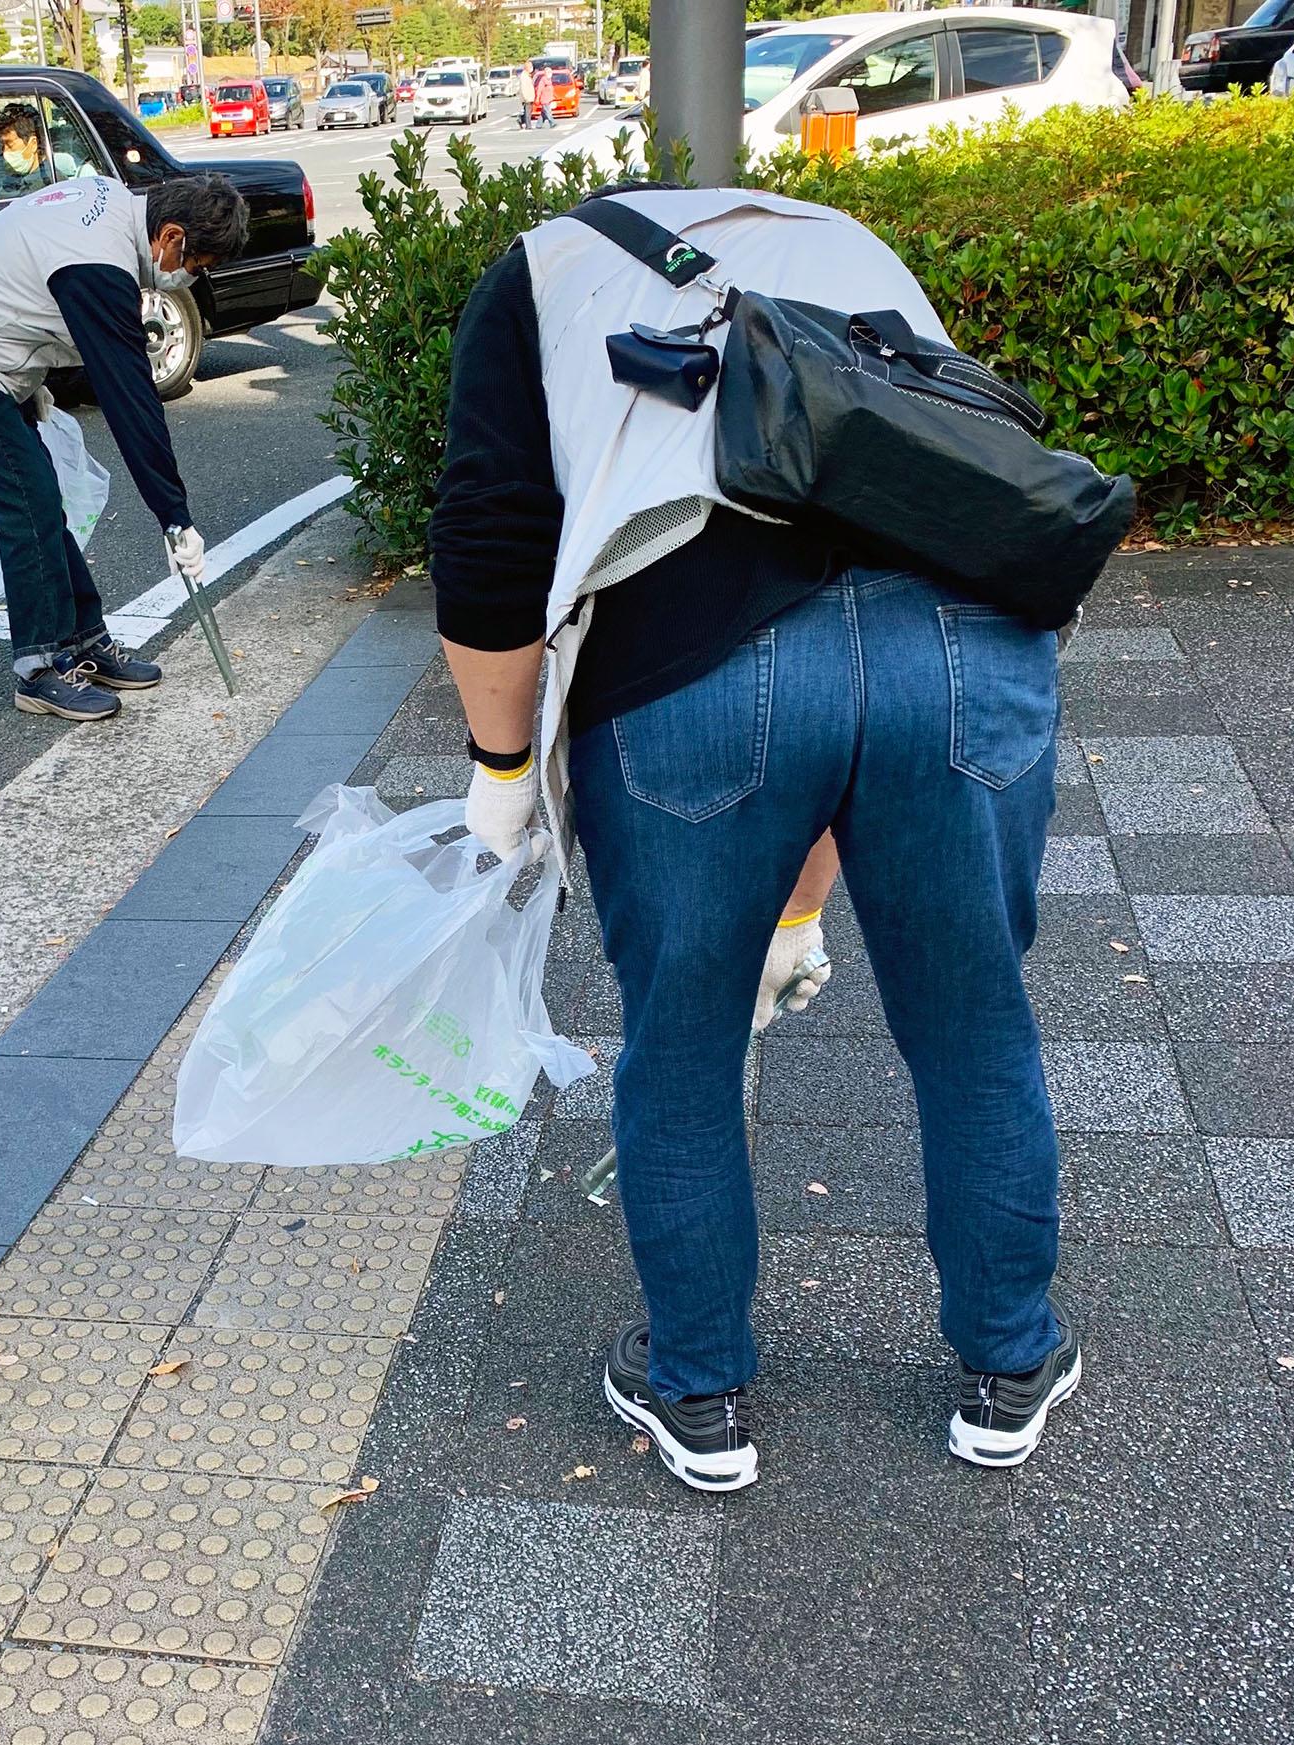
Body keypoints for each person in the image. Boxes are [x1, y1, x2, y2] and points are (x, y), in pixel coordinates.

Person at [431, 184, 1081, 1494]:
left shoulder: (541, 271)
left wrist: (501, 763)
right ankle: (1011, 1365)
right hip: (966, 652)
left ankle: (701, 1388)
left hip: (692, 667)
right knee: (975, 1026)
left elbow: (490, 538)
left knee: (681, 1044)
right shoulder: (855, 243)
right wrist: (799, 907)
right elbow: (918, 477)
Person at [0, 174, 247, 721]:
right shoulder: (98, 267)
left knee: (42, 496)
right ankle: (37, 669)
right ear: (171, 236)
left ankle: (84, 641)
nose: (189, 279)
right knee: (27, 503)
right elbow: (131, 402)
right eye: (195, 265)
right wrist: (173, 515)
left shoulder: (114, 204)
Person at [0, 101, 50, 199]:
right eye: (2, 145)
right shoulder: (0, 175)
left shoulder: (51, 185)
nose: (4, 153)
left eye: (9, 144)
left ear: (33, 144)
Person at [516, 63, 534, 128]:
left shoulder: (527, 75)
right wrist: (526, 97)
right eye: (530, 67)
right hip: (527, 97)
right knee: (528, 112)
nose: (532, 68)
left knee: (528, 111)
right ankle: (528, 125)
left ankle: (521, 120)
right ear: (527, 68)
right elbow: (523, 88)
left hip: (530, 96)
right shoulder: (524, 76)